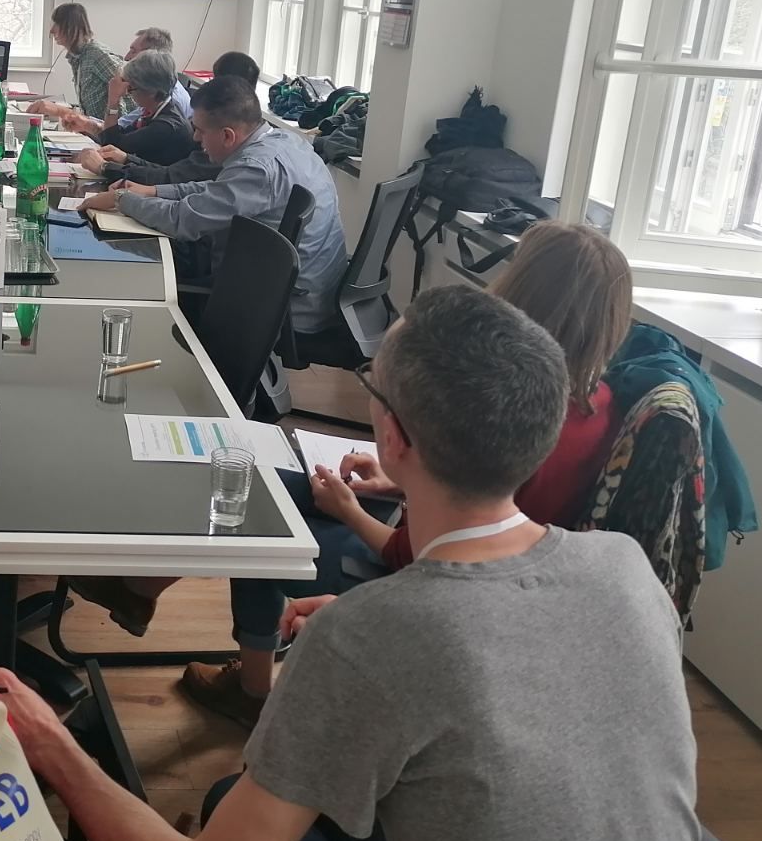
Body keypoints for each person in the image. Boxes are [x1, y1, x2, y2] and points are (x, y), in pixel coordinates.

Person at [0, 286, 699, 841]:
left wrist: (49, 744)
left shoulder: (367, 640)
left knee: (228, 808)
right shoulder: (626, 567)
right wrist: (372, 630)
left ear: (394, 436)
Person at [178, 219, 637, 725]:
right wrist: (399, 481)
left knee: (263, 524)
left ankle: (252, 690)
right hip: (473, 561)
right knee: (270, 487)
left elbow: (428, 555)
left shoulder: (504, 401)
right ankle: (152, 596)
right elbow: (485, 495)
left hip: (427, 578)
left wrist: (350, 512)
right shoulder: (599, 406)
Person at [78, 76, 347, 330]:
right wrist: (153, 191)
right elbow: (217, 190)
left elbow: (182, 220)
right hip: (297, 289)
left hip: (286, 310)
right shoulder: (283, 141)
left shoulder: (258, 169)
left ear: (228, 136)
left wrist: (121, 199)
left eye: (200, 131)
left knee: (136, 277)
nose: (195, 138)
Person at [79, 50, 260, 183]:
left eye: (131, 88)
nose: (195, 137)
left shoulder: (167, 126)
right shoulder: (155, 112)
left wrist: (106, 167)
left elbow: (170, 177)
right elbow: (171, 172)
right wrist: (126, 158)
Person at [62, 49, 193, 166]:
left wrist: (113, 100)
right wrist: (87, 126)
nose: (126, 93)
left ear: (151, 91)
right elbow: (121, 134)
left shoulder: (165, 126)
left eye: (131, 88)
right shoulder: (157, 108)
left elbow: (113, 145)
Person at [46, 2, 123, 121]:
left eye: (57, 24)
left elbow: (126, 90)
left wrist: (126, 128)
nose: (52, 30)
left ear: (71, 28)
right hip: (94, 126)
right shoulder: (77, 57)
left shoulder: (96, 54)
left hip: (110, 129)